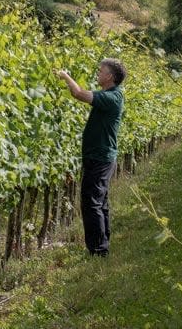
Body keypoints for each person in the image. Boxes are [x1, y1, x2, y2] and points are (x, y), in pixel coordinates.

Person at [57, 58, 126, 257]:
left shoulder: (113, 97)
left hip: (100, 158)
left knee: (91, 202)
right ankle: (102, 246)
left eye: (101, 71)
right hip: (99, 157)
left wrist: (65, 76)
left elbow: (78, 93)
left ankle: (97, 251)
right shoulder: (110, 95)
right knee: (100, 202)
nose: (98, 73)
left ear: (110, 76)